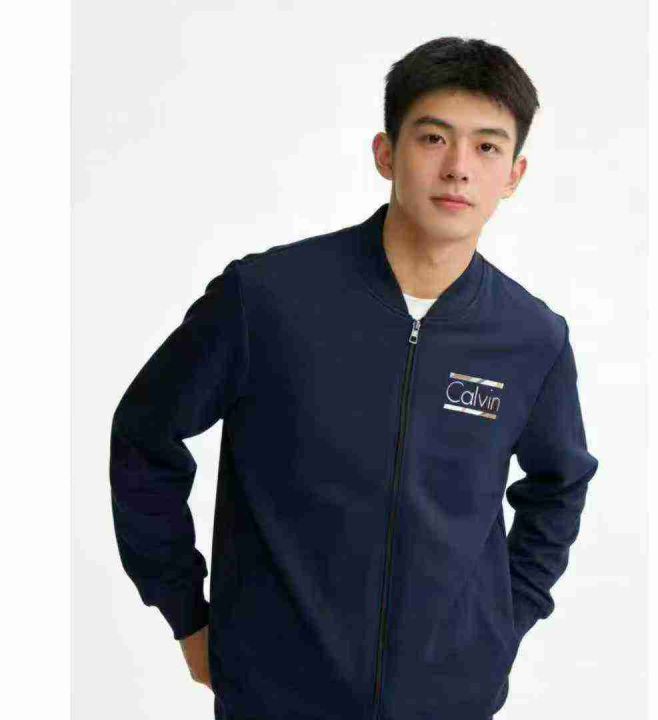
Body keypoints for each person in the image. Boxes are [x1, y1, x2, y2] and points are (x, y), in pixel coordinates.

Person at [109, 36, 599, 720]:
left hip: (450, 703)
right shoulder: (266, 300)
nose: (458, 168)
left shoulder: (530, 338)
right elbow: (144, 436)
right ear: (386, 153)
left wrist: (498, 626)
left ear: (513, 174)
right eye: (434, 138)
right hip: (275, 698)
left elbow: (560, 485)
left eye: (487, 147)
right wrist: (185, 611)